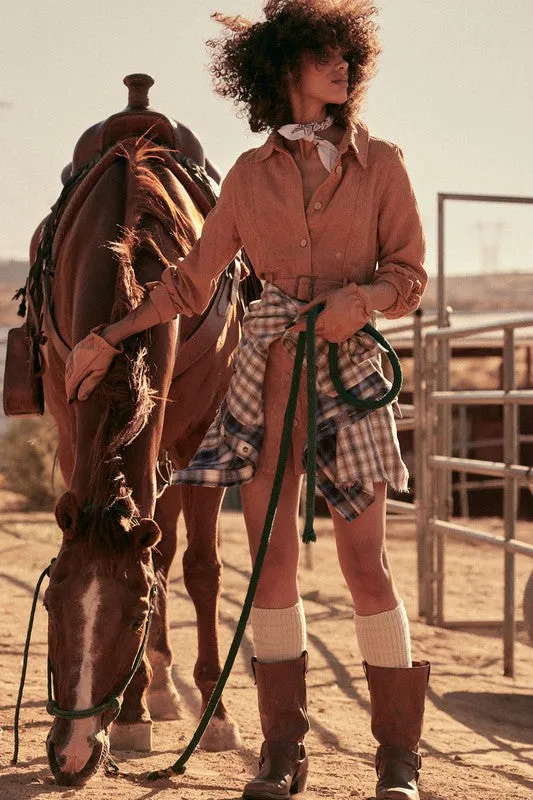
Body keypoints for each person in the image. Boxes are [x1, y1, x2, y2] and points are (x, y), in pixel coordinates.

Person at [66, 2, 430, 798]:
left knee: (364, 567)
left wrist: (362, 299)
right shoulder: (245, 175)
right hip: (263, 370)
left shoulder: (385, 164)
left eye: (347, 57)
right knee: (271, 566)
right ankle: (280, 752)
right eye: (323, 55)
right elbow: (189, 285)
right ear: (283, 69)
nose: (342, 68)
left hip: (346, 372)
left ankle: (397, 758)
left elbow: (409, 274)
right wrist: (109, 334)